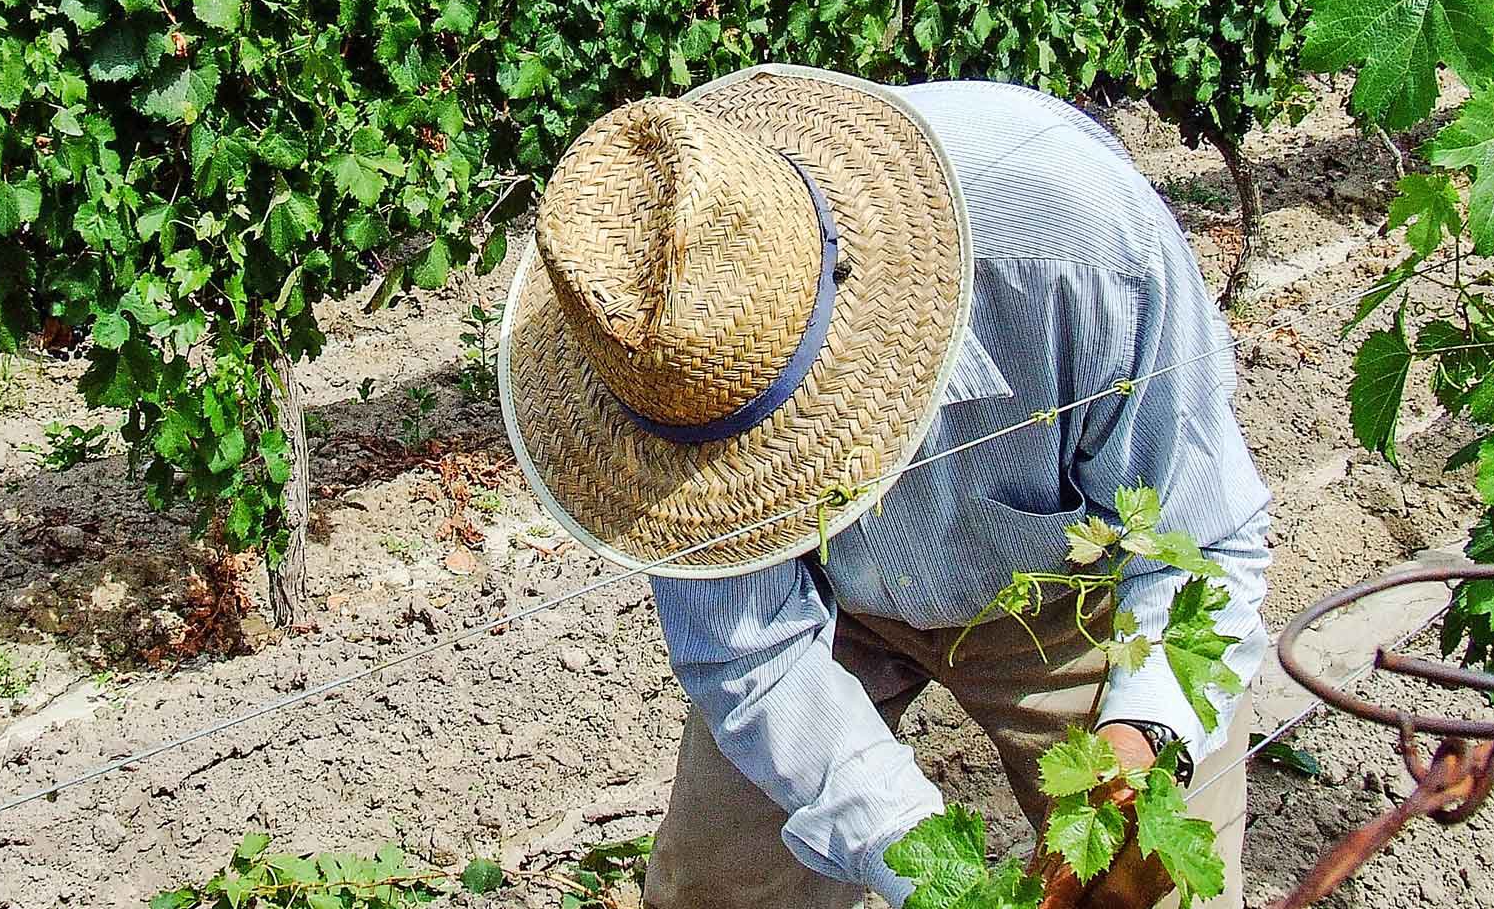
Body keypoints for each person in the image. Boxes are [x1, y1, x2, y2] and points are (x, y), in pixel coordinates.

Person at [497, 64, 1269, 909]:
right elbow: (752, 656)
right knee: (716, 890)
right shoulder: (656, 340)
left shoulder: (1078, 251)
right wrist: (932, 876)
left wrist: (1135, 742)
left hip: (1070, 595)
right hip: (832, 610)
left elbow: (1206, 544)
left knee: (1151, 888)